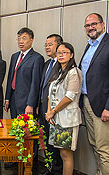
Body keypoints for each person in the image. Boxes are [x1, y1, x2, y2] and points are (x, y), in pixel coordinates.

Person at [79, 13, 109, 175]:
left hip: (103, 105)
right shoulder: (90, 46)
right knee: (95, 144)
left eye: (94, 24)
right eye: (87, 25)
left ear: (103, 25)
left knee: (105, 148)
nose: (90, 27)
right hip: (87, 102)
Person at [45, 42, 82, 175]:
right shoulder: (58, 72)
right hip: (55, 119)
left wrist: (53, 111)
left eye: (64, 52)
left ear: (71, 55)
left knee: (66, 154)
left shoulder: (74, 72)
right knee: (61, 153)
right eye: (59, 53)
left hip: (67, 119)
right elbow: (51, 94)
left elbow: (69, 97)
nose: (61, 55)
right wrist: (49, 111)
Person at [38, 34, 63, 175]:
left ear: (59, 45)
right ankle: (50, 168)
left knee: (56, 142)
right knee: (46, 140)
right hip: (42, 108)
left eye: (50, 44)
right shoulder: (47, 64)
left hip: (55, 110)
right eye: (46, 45)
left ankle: (57, 171)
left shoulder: (63, 64)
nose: (47, 47)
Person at [5, 27, 44, 118]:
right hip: (13, 99)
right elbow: (10, 78)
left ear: (31, 40)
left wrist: (30, 104)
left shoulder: (37, 58)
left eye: (24, 38)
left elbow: (35, 84)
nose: (20, 41)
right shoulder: (14, 56)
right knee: (14, 128)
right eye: (18, 38)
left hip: (26, 101)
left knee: (25, 131)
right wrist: (7, 98)